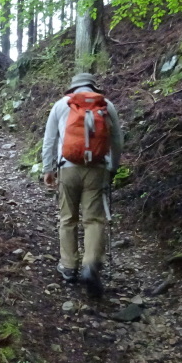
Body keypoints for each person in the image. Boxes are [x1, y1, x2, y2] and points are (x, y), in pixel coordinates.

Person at [41, 73, 124, 297]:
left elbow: (49, 139)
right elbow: (117, 140)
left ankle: (68, 267)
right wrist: (113, 168)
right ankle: (90, 264)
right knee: (94, 219)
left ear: (73, 88)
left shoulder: (61, 105)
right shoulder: (106, 105)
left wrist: (47, 169)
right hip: (97, 169)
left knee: (68, 218)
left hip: (67, 168)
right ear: (93, 87)